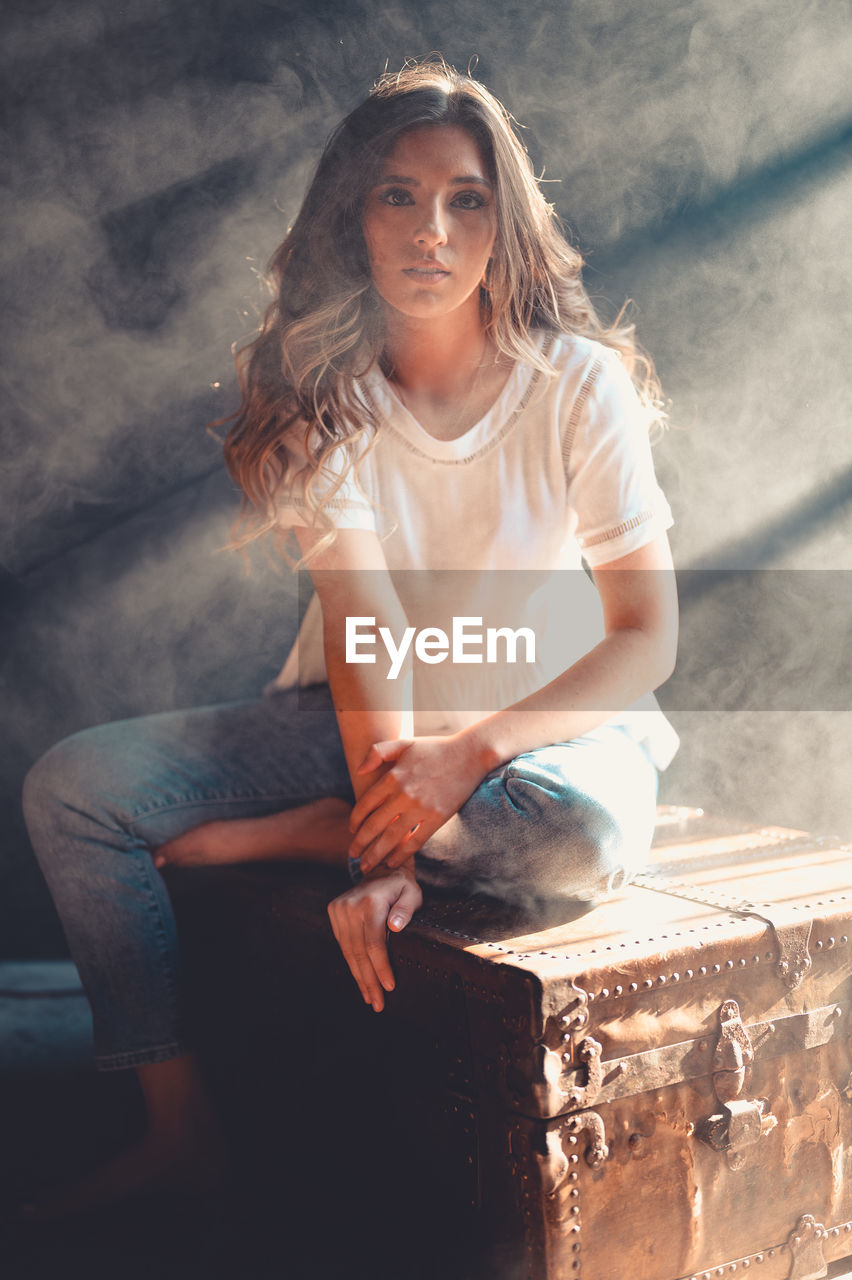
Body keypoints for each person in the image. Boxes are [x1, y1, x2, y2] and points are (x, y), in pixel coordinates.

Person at [20, 57, 678, 1218]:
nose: (432, 229)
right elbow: (367, 633)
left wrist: (462, 759)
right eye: (397, 196)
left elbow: (645, 637)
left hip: (534, 743)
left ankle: (313, 833)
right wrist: (388, 849)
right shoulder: (332, 393)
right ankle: (182, 1132)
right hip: (355, 721)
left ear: (501, 223)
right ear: (353, 218)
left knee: (584, 831)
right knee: (75, 788)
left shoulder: (576, 383)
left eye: (466, 198)